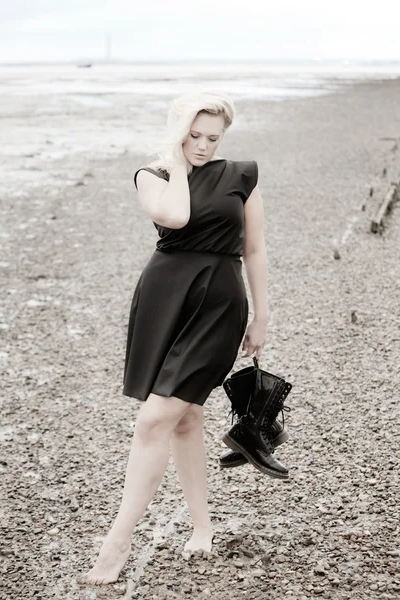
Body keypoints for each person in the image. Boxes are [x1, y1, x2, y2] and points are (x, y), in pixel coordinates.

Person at [81, 90, 282, 585]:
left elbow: (254, 249)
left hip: (218, 304)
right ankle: (201, 527)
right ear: (177, 130)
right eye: (193, 135)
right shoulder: (151, 175)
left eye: (213, 137)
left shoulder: (242, 175)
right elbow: (174, 218)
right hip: (163, 299)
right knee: (186, 416)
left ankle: (118, 541)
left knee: (155, 420)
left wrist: (262, 316)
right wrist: (176, 160)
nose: (203, 145)